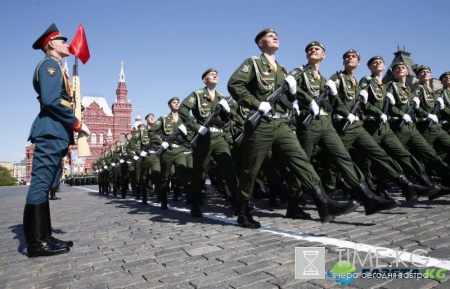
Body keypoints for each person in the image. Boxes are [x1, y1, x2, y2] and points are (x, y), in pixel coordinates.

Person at [227, 30, 359, 228]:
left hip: (282, 123)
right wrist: (255, 103)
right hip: (261, 123)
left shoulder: (282, 70)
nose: (275, 37)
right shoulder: (253, 63)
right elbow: (234, 84)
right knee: (251, 169)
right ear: (260, 43)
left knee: (300, 160)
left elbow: (288, 99)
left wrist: (293, 93)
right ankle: (243, 210)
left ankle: (323, 202)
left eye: (276, 35)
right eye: (270, 36)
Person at [326, 49, 438, 203]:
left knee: (380, 155)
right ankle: (328, 193)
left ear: (358, 62)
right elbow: (336, 99)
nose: (350, 58)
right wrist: (349, 111)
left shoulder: (373, 85)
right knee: (340, 160)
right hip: (348, 123)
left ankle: (406, 185)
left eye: (353, 57)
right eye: (347, 57)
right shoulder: (345, 78)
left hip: (362, 124)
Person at [24, 23, 90, 257]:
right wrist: (77, 123)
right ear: (51, 44)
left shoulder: (57, 67)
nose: (67, 44)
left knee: (46, 183)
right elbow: (52, 101)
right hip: (51, 131)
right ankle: (36, 243)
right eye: (63, 41)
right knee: (41, 184)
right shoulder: (50, 65)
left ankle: (45, 236)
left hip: (56, 132)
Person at [359, 56, 440, 196]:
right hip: (375, 124)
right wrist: (388, 112)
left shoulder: (388, 86)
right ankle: (365, 188)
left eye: (380, 62)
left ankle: (422, 183)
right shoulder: (369, 81)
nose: (378, 63)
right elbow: (365, 104)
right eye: (374, 62)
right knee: (369, 158)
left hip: (388, 126)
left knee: (402, 154)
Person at [179, 68, 240, 217]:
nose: (215, 75)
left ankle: (238, 203)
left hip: (219, 138)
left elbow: (232, 118)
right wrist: (196, 127)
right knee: (199, 172)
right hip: (204, 138)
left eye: (216, 74)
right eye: (211, 75)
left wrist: (227, 110)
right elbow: (183, 110)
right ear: (205, 79)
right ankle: (194, 202)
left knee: (229, 169)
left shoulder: (222, 97)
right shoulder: (197, 95)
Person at [385, 62, 450, 194]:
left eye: (403, 67)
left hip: (417, 126)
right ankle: (382, 184)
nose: (425, 74)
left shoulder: (410, 89)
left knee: (427, 152)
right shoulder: (395, 86)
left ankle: (433, 181)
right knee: (401, 155)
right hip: (405, 125)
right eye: (397, 68)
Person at [150, 97, 191, 209]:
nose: (177, 104)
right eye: (174, 102)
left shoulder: (184, 118)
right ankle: (163, 199)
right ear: (169, 105)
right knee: (165, 177)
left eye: (178, 102)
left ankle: (190, 199)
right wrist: (161, 142)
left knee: (183, 173)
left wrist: (187, 133)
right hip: (167, 152)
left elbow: (191, 135)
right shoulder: (163, 119)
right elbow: (152, 132)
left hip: (180, 150)